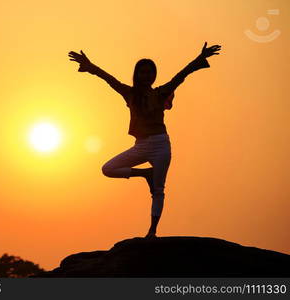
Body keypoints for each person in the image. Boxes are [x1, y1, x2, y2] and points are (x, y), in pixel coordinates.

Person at [68, 42, 221, 238]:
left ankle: (152, 232)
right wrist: (90, 67)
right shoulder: (129, 93)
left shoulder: (161, 92)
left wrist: (199, 59)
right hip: (140, 146)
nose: (146, 75)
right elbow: (109, 79)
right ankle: (145, 174)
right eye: (142, 72)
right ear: (137, 74)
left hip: (160, 144)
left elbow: (181, 76)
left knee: (158, 190)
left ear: (154, 75)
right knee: (108, 169)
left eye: (150, 72)